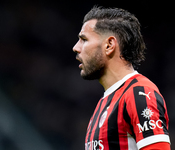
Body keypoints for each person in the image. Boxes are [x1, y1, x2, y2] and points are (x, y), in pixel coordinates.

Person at [73, 6, 171, 150]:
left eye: (84, 39)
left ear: (109, 45)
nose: (76, 47)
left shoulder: (139, 93)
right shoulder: (105, 102)